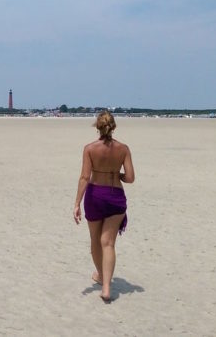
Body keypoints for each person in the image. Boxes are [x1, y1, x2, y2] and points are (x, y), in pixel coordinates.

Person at [73, 111, 135, 303]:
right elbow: (131, 178)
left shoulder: (90, 149)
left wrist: (76, 203)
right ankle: (107, 288)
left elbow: (84, 177)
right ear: (113, 126)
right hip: (115, 196)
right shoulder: (123, 149)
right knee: (108, 242)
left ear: (97, 127)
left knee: (95, 239)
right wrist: (117, 175)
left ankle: (100, 275)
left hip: (95, 195)